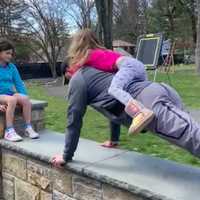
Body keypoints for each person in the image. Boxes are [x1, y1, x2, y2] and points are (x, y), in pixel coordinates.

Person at [51, 66, 200, 167]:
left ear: (69, 70)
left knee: (194, 140)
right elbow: (113, 107)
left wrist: (66, 156)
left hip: (146, 103)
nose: (70, 83)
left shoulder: (78, 78)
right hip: (157, 91)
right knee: (193, 134)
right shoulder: (97, 73)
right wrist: (114, 140)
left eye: (68, 79)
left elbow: (74, 119)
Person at [66, 29, 154, 135]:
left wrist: (70, 72)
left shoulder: (89, 54)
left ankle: (140, 113)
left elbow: (78, 68)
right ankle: (147, 112)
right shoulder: (102, 52)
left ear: (79, 43)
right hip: (137, 65)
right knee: (138, 94)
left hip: (128, 65)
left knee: (113, 89)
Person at [0, 39, 39, 142]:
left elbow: (18, 83)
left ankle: (28, 127)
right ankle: (9, 131)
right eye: (7, 53)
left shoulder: (12, 67)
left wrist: (23, 98)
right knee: (12, 100)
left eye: (11, 54)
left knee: (25, 99)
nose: (10, 56)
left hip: (9, 94)